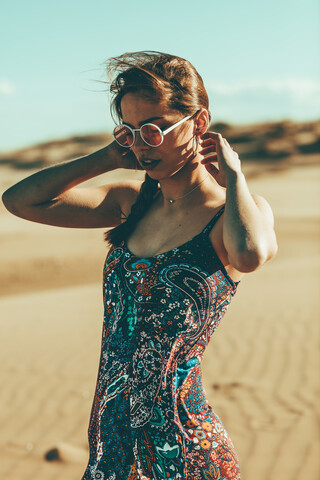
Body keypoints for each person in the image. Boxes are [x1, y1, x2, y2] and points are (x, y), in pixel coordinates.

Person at [2, 51, 278, 480]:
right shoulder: (130, 203)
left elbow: (250, 255)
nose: (141, 144)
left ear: (198, 123)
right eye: (129, 131)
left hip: (185, 449)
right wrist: (109, 157)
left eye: (153, 129)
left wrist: (235, 177)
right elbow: (19, 201)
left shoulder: (233, 213)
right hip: (110, 444)